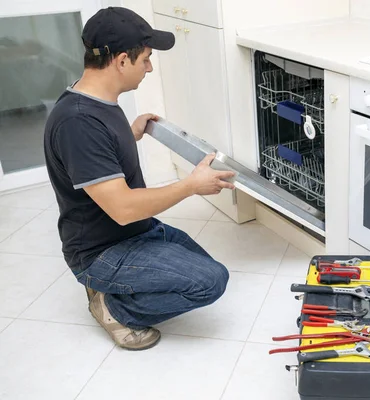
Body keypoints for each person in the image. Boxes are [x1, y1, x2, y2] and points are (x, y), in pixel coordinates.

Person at [43, 7, 235, 351]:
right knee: (210, 282)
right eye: (145, 58)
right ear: (120, 61)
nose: (149, 67)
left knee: (205, 266)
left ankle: (116, 287)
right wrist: (191, 186)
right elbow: (122, 209)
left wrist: (128, 135)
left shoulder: (95, 99)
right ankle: (113, 307)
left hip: (134, 232)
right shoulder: (79, 123)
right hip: (102, 250)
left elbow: (95, 155)